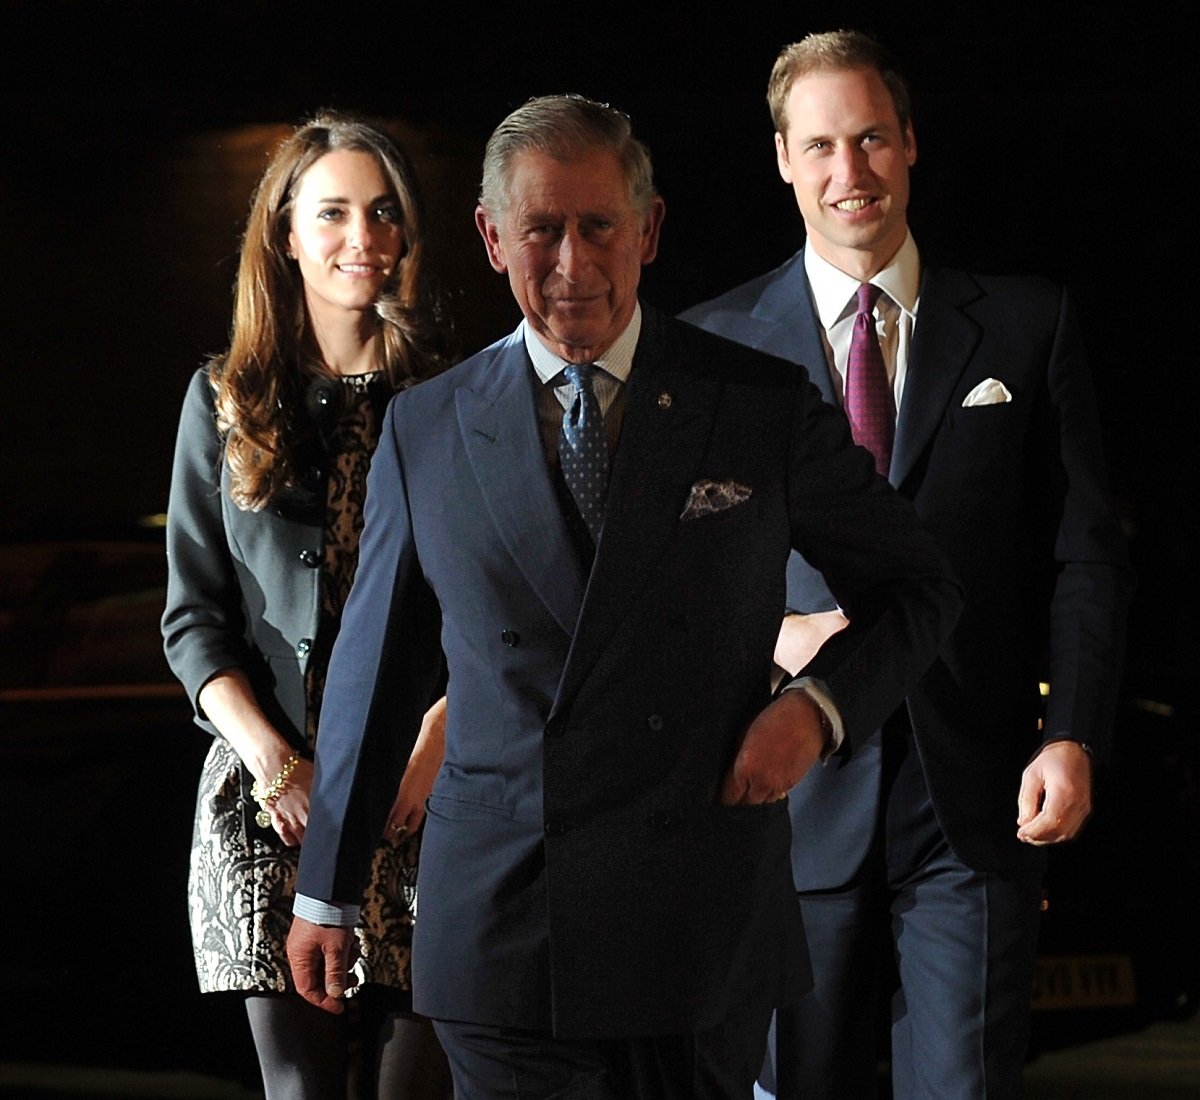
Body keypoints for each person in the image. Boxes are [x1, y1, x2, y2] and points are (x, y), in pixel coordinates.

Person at [283, 92, 961, 1100]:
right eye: (540, 231)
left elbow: (920, 588)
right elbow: (376, 678)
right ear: (489, 237)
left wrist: (816, 712)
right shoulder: (428, 431)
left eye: (597, 226)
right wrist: (327, 890)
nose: (570, 265)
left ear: (647, 229)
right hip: (509, 923)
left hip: (699, 919)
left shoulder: (754, 403)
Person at [681, 30, 1135, 1100]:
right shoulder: (714, 352)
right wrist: (774, 637)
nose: (852, 174)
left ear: (911, 144)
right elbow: (670, 579)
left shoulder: (1026, 325)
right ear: (784, 159)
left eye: (873, 138)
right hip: (787, 797)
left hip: (972, 793)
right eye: (824, 146)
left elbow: (1084, 556)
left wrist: (1071, 732)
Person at [161, 111, 455, 1099]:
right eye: (331, 213)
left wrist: (432, 746)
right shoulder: (222, 400)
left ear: (407, 233)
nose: (359, 238)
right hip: (270, 796)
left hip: (429, 794)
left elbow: (503, 610)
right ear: (285, 232)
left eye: (381, 213)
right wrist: (275, 759)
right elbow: (192, 620)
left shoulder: (458, 399)